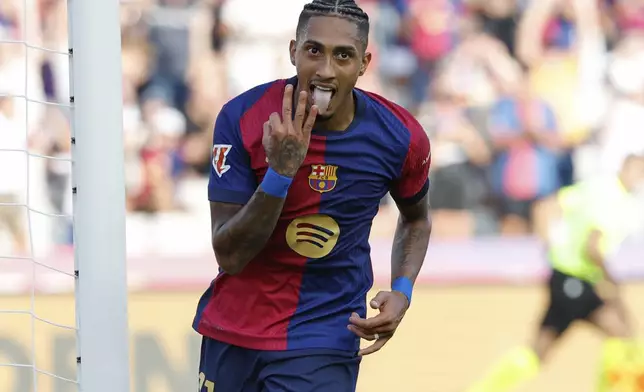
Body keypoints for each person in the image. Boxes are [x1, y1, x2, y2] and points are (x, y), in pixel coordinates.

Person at [192, 1, 433, 391]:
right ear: (293, 52)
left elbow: (417, 218)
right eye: (313, 51)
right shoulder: (243, 118)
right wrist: (281, 173)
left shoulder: (400, 136)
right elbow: (230, 254)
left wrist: (402, 291)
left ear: (363, 64)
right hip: (234, 330)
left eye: (343, 56)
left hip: (324, 333)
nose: (324, 70)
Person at [466, 153, 644, 392]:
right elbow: (594, 247)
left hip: (565, 275)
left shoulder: (596, 186)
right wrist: (610, 280)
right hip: (576, 277)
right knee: (621, 333)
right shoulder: (613, 201)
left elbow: (548, 205)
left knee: (540, 349)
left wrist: (549, 242)